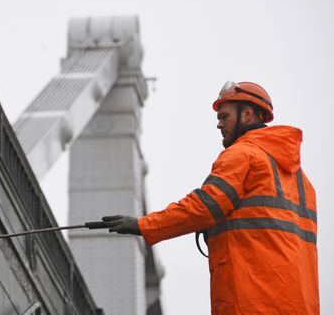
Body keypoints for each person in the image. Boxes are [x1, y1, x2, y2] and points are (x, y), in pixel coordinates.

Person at [103, 81, 319, 314]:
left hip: (252, 302)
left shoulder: (242, 155)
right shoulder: (303, 184)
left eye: (224, 116)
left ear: (247, 114)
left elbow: (205, 206)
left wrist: (143, 225)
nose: (218, 124)